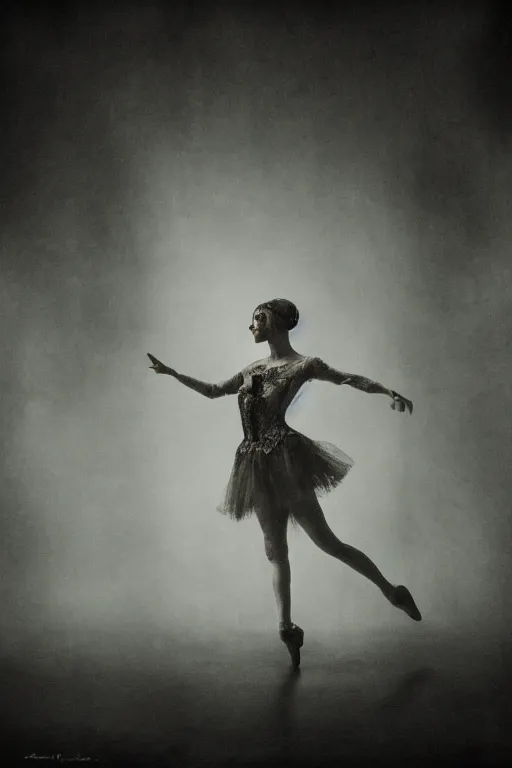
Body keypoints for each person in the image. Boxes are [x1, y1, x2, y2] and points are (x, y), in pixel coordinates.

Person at [148, 298, 421, 668]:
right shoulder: (252, 368)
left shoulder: (303, 365)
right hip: (255, 462)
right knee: (275, 551)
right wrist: (173, 373)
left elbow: (346, 378)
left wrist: (388, 391)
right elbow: (214, 391)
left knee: (328, 543)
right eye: (252, 320)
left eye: (258, 319)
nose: (252, 326)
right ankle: (287, 628)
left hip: (285, 459)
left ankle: (392, 592)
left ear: (276, 323)